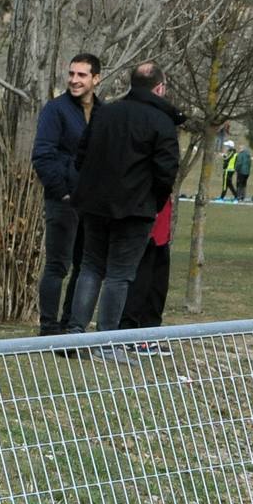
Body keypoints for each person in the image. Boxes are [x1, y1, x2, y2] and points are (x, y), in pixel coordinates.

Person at [66, 61, 182, 358]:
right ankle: (106, 341)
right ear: (159, 88)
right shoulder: (161, 122)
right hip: (135, 208)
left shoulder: (105, 113)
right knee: (119, 274)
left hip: (96, 204)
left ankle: (76, 333)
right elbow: (166, 172)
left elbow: (82, 156)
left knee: (91, 266)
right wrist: (152, 202)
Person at [31, 52, 102, 337]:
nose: (74, 80)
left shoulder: (103, 113)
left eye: (81, 75)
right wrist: (62, 193)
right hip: (62, 201)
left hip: (91, 203)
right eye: (71, 74)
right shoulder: (55, 110)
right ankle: (48, 329)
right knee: (57, 265)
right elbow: (42, 155)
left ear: (96, 78)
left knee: (84, 265)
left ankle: (69, 324)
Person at [120, 196, 174, 349]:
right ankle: (128, 331)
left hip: (161, 222)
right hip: (145, 215)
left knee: (158, 282)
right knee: (140, 280)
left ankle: (150, 331)